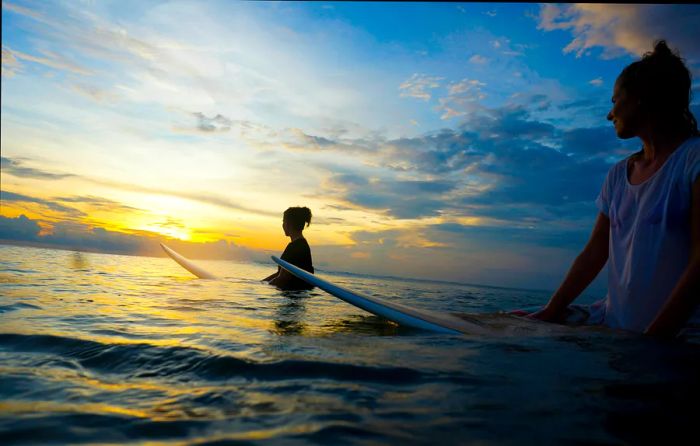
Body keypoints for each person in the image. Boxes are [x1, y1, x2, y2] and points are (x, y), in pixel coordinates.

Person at [524, 40, 700, 338]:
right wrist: (552, 310)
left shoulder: (692, 161)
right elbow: (595, 252)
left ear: (641, 99)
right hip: (619, 330)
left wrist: (655, 339)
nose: (610, 114)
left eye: (614, 101)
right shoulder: (619, 175)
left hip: (679, 342)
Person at [263, 206, 315, 290]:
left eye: (283, 221)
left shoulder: (296, 247)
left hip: (293, 296)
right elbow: (280, 273)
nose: (282, 225)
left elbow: (283, 277)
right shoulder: (300, 244)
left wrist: (264, 288)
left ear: (288, 223)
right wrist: (262, 283)